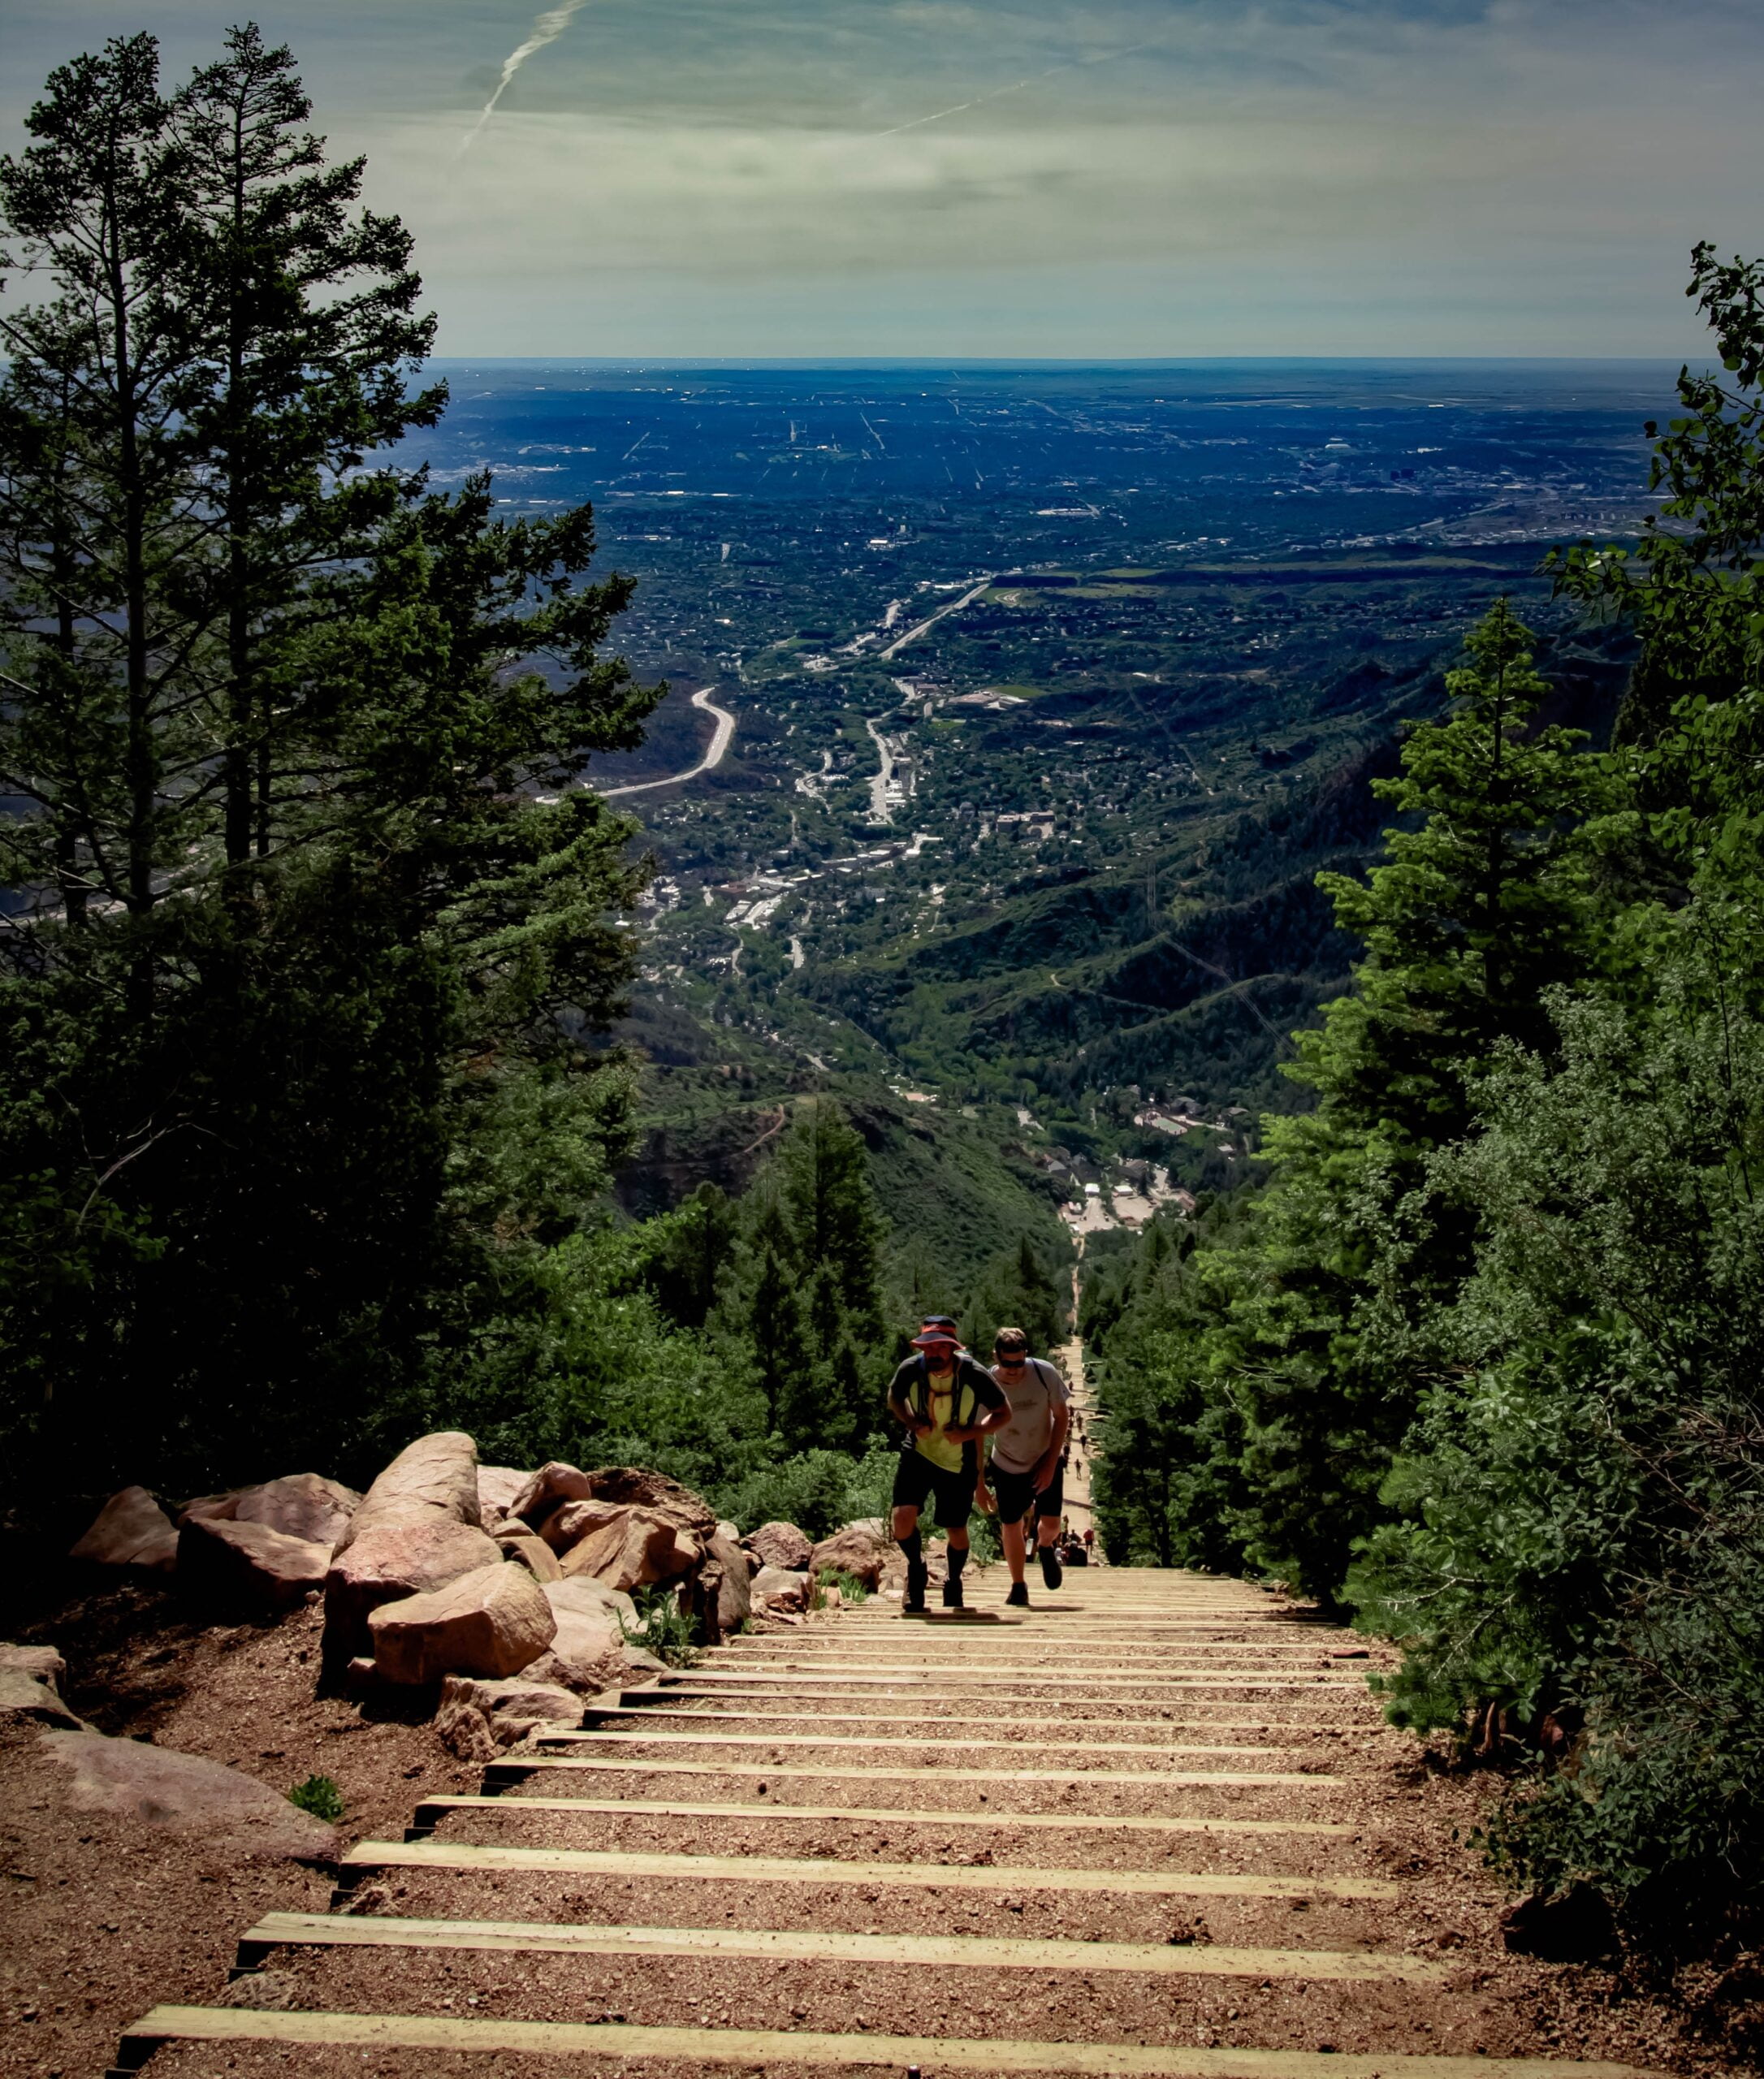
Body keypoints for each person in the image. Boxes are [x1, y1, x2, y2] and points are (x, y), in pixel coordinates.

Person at [887, 1315, 1010, 1613]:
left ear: (952, 1348)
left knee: (956, 1529)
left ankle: (953, 1580)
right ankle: (916, 1571)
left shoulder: (973, 1374)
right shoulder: (910, 1369)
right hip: (918, 1452)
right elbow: (894, 1397)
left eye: (941, 1347)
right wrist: (912, 1422)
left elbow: (1003, 1413)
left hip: (958, 1461)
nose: (934, 1353)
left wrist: (971, 1433)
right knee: (902, 1518)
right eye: (928, 1347)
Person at [974, 1325, 1070, 1610]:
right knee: (1011, 1523)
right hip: (1007, 1462)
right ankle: (1018, 1585)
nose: (1013, 1369)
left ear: (1025, 1355)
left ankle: (1046, 1545)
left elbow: (1062, 1416)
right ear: (996, 1356)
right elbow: (976, 1433)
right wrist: (979, 1483)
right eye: (1007, 1363)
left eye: (1018, 1362)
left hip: (1044, 1457)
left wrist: (1051, 1463)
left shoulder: (1044, 1373)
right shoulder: (988, 1383)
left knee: (1051, 1524)